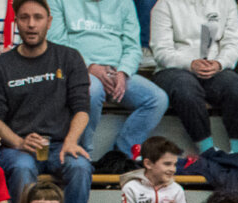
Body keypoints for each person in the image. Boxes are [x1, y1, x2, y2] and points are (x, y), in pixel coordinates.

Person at [0, 0, 91, 203]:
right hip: (17, 147)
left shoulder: (69, 58)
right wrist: (19, 142)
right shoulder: (1, 65)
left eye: (38, 18)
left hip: (60, 144)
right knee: (22, 167)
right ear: (15, 22)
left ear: (49, 22)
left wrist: (72, 142)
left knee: (81, 167)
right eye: (24, 18)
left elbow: (82, 108)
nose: (31, 24)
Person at [51, 0, 167, 173]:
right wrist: (89, 66)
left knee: (157, 99)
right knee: (92, 91)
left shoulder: (124, 2)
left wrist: (123, 71)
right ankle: (84, 153)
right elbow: (56, 42)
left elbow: (132, 46)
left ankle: (121, 156)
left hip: (116, 70)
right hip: (77, 69)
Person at [149, 0, 238, 159]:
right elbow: (161, 50)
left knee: (236, 88)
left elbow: (233, 43)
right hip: (174, 68)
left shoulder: (226, 3)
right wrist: (190, 63)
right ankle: (207, 151)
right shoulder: (164, 4)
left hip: (214, 65)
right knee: (186, 89)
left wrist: (219, 63)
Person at [119, 135, 191, 203]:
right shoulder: (131, 187)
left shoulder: (176, 189)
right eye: (167, 164)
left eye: (174, 164)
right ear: (148, 164)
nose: (173, 169)